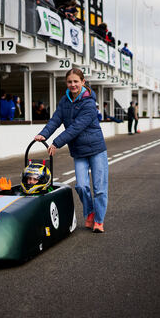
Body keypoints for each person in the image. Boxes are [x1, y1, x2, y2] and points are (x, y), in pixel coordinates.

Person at [34, 68, 108, 233]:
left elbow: (76, 127)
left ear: (83, 82)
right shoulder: (64, 101)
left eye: (76, 81)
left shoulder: (89, 103)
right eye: (70, 82)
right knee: (81, 186)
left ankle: (99, 220)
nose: (73, 85)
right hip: (78, 150)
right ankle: (90, 212)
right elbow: (55, 120)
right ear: (66, 83)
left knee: (99, 188)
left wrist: (56, 143)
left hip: (96, 149)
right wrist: (43, 134)